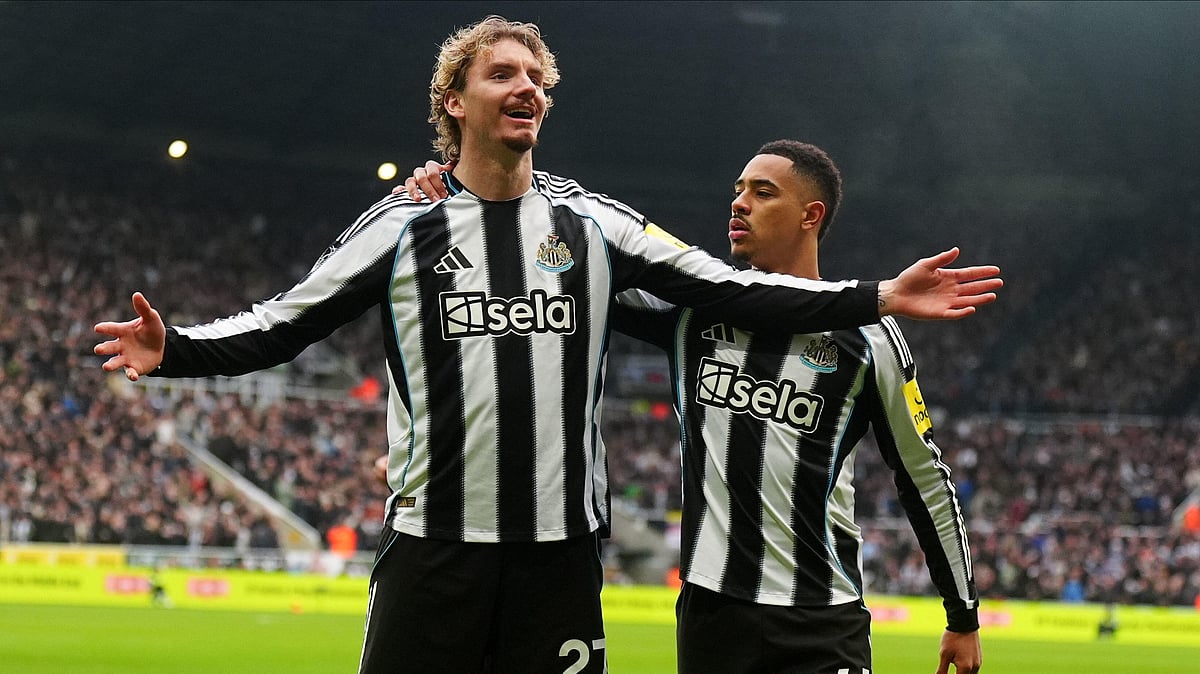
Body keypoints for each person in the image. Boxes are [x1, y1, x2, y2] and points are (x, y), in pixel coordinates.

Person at [95, 17, 999, 673]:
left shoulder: (593, 226)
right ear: (454, 100)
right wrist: (176, 349)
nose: (528, 85)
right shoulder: (404, 226)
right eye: (503, 73)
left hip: (560, 559)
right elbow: (286, 319)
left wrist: (874, 295)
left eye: (537, 75)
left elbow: (723, 284)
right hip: (432, 551)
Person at [406, 140, 986, 673]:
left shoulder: (870, 340)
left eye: (763, 192)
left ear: (812, 216)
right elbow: (565, 261)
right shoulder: (690, 313)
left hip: (817, 618)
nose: (740, 203)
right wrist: (468, 184)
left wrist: (962, 615)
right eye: (738, 190)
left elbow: (924, 478)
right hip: (711, 618)